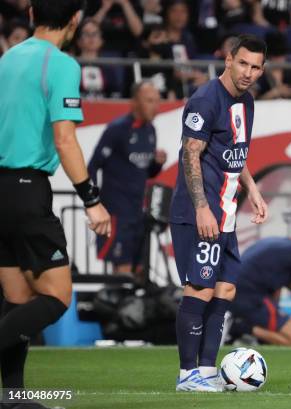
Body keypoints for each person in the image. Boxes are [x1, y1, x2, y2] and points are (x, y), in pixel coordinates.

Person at [0, 1, 111, 408]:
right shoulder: (61, 64)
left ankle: (12, 397)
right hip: (28, 188)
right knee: (57, 296)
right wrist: (91, 200)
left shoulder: (8, 58)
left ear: (32, 16)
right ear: (76, 20)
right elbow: (65, 139)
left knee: (19, 300)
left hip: (2, 189)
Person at [169, 34, 268, 392]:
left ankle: (208, 371)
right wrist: (201, 208)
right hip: (200, 214)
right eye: (243, 63)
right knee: (200, 290)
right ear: (228, 60)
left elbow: (234, 152)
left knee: (224, 289)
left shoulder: (248, 103)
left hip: (226, 214)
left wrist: (252, 188)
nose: (248, 72)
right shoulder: (205, 99)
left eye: (256, 67)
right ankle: (186, 375)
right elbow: (190, 154)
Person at [88, 81, 166, 277]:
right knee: (121, 270)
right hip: (116, 212)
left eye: (157, 101)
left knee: (139, 269)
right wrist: (93, 203)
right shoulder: (117, 129)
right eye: (149, 101)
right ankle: (113, 305)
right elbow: (93, 165)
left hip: (138, 212)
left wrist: (157, 164)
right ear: (134, 102)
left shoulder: (151, 131)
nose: (155, 107)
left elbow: (146, 172)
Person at [75, 18, 123, 99]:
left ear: (101, 41)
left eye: (95, 34)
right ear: (79, 41)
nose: (91, 37)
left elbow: (115, 94)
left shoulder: (108, 67)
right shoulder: (72, 66)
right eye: (86, 33)